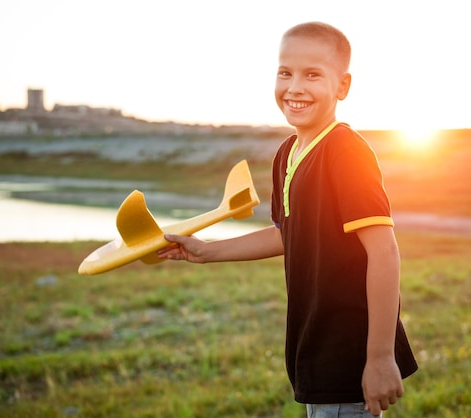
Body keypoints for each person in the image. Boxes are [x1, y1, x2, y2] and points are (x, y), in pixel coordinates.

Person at [157, 21, 417, 418]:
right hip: (311, 343)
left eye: (312, 74)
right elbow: (288, 234)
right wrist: (208, 251)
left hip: (350, 349)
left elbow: (384, 253)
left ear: (342, 86)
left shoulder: (345, 150)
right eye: (285, 72)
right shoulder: (288, 153)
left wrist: (380, 357)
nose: (294, 86)